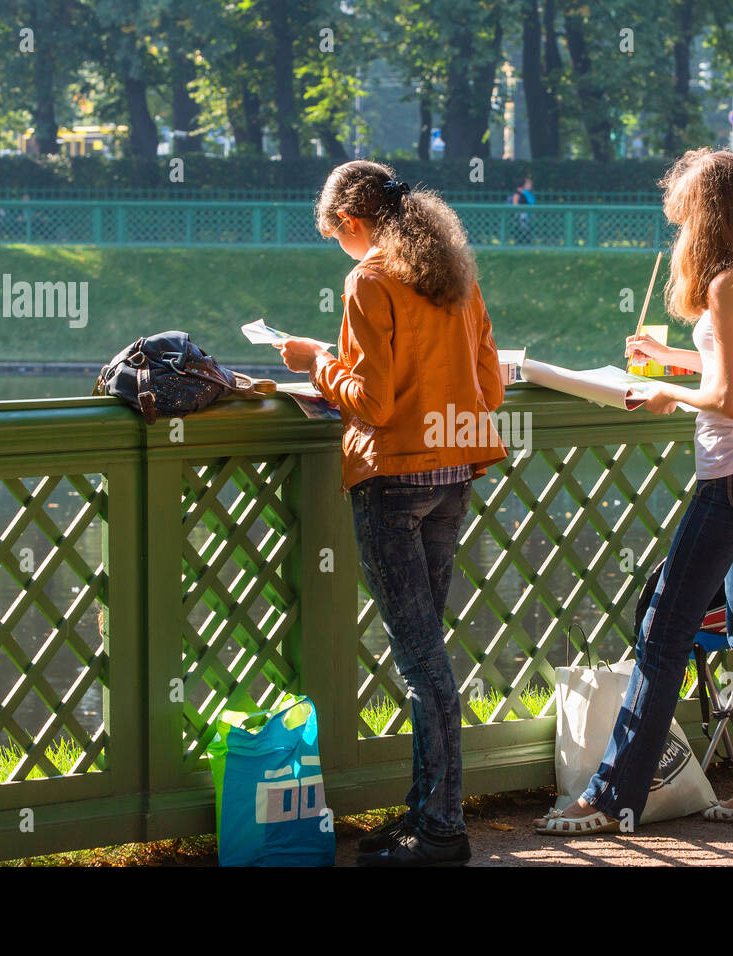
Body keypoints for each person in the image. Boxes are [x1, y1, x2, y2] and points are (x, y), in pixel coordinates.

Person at [535, 147, 733, 835]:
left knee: (662, 633)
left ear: (709, 215)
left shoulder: (727, 283)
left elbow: (725, 394)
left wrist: (663, 390)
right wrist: (673, 359)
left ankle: (613, 796)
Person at [275, 160, 508, 866]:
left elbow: (371, 404)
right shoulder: (454, 278)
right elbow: (491, 391)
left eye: (335, 235)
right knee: (427, 652)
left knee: (421, 666)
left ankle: (441, 831)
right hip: (454, 473)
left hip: (394, 480)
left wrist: (314, 360)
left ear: (350, 223)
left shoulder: (369, 281)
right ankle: (423, 813)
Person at [509, 176, 534, 244]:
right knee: (522, 229)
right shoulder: (517, 193)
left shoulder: (522, 193)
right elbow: (515, 204)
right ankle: (520, 242)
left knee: (526, 229)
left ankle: (525, 242)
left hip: (524, 215)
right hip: (520, 216)